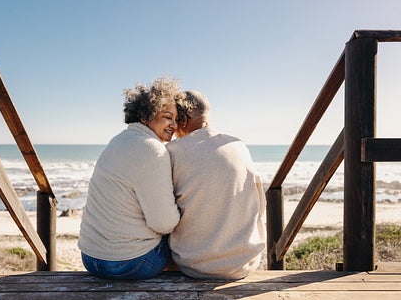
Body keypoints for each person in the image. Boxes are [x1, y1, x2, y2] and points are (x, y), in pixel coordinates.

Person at [78, 77, 185, 280]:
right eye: (167, 117)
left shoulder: (118, 140)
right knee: (185, 248)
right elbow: (164, 224)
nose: (174, 125)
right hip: (129, 264)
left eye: (176, 119)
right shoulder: (152, 150)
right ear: (145, 116)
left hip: (90, 258)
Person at [167, 90, 266, 279]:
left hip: (194, 266)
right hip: (244, 264)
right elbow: (260, 205)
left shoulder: (172, 152)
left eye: (174, 119)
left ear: (184, 120)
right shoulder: (239, 145)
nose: (172, 128)